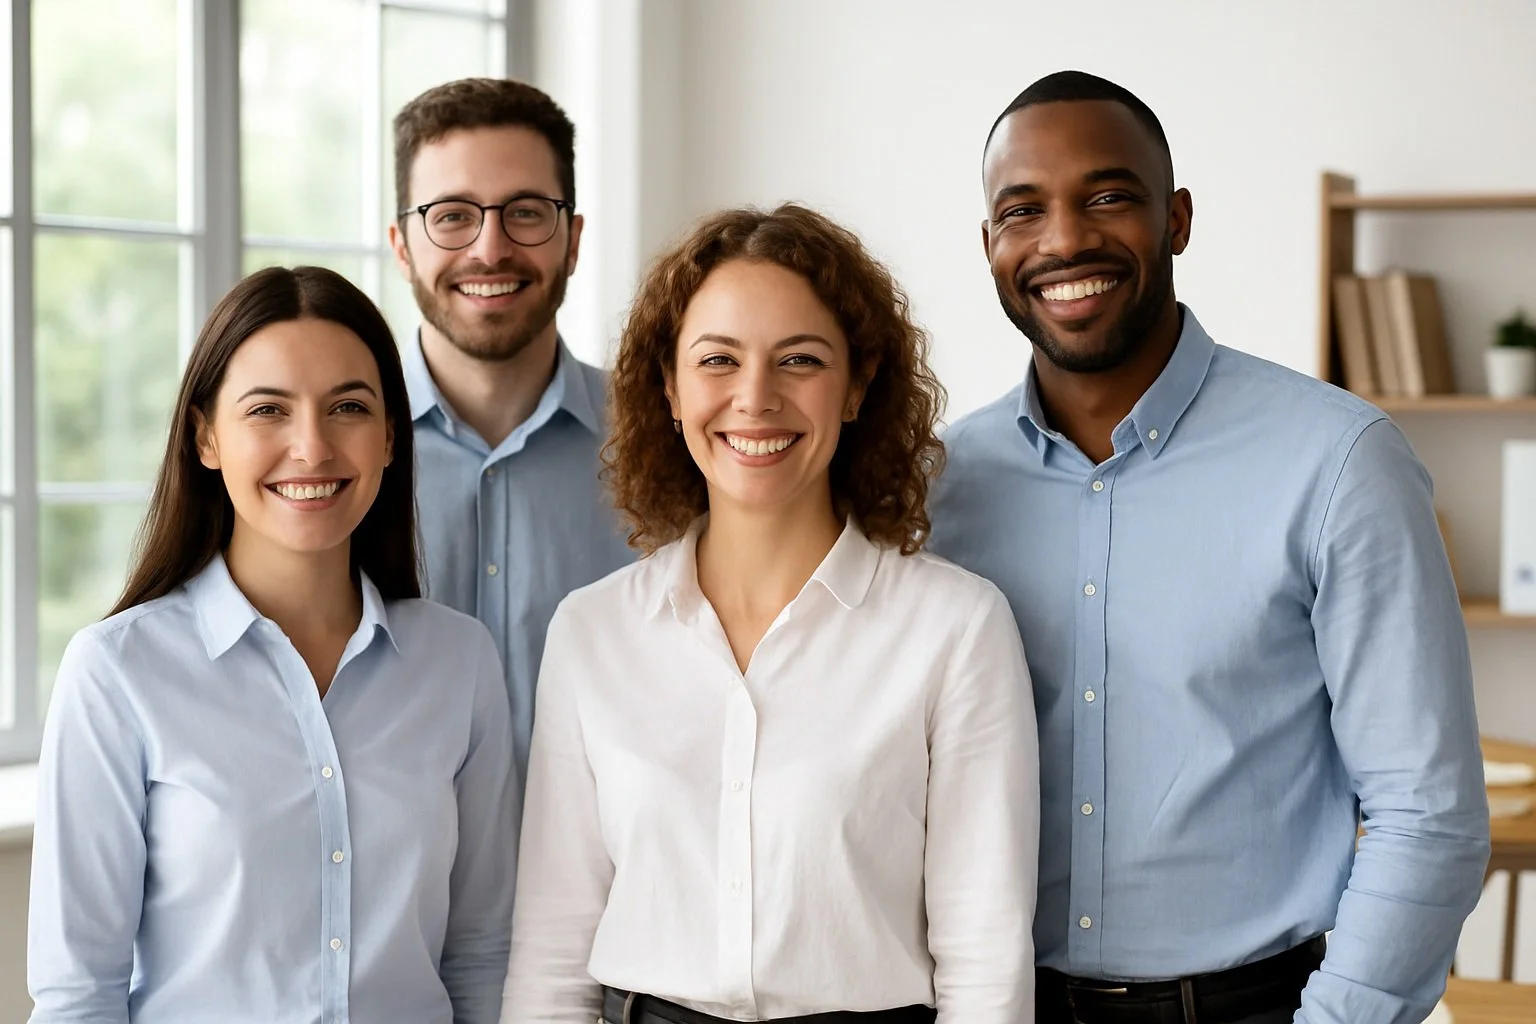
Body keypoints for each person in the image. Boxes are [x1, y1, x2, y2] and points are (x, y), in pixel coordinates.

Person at [929, 70, 1491, 1024]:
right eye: (1023, 210)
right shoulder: (937, 488)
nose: (1064, 239)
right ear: (989, 246)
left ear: (1177, 218)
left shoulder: (1339, 463)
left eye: (1108, 196)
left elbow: (1427, 814)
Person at [501, 204, 1040, 1024]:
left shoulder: (956, 628)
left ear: (857, 386)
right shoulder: (590, 633)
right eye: (718, 360)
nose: (756, 398)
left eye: (800, 360)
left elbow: (985, 964)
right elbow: (552, 957)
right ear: (670, 390)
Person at [27, 267, 517, 1023]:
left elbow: (481, 953)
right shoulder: (117, 674)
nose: (312, 446)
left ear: (390, 437)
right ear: (206, 437)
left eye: (348, 407)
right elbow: (77, 994)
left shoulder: (460, 663)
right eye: (268, 410)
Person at [388, 78, 633, 780]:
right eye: (453, 215)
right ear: (402, 245)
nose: (490, 249)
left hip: (617, 886)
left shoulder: (670, 448)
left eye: (526, 212)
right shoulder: (328, 462)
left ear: (574, 239)